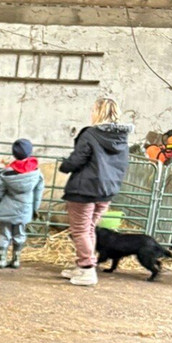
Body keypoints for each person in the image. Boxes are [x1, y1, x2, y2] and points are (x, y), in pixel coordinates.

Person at [59, 96, 133, 286]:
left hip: (85, 189)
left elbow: (78, 159)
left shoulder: (91, 134)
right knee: (89, 228)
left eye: (93, 110)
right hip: (106, 190)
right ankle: (84, 265)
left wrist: (65, 165)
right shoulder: (122, 138)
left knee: (80, 229)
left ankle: (87, 269)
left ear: (98, 112)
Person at [0, 138, 44, 269]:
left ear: (14, 154)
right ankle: (16, 259)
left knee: (4, 234)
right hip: (25, 209)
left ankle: (2, 259)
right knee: (20, 233)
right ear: (30, 153)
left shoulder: (6, 173)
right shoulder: (36, 173)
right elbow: (38, 193)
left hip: (6, 208)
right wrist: (35, 209)